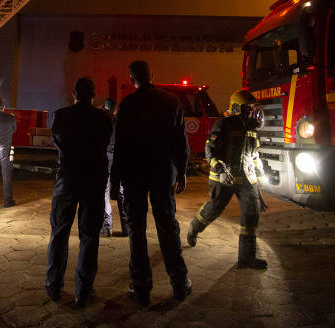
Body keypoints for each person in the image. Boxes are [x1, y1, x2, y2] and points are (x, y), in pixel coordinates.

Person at [110, 60, 191, 306]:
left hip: (134, 175)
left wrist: (115, 181)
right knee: (168, 227)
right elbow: (181, 141)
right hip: (162, 173)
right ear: (152, 75)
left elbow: (120, 146)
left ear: (132, 78)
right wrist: (182, 171)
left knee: (137, 231)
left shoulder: (128, 105)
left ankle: (142, 287)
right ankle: (179, 283)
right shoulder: (170, 101)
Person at [45, 77, 113, 307]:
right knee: (89, 237)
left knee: (59, 234)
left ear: (74, 92)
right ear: (94, 94)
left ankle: (53, 286)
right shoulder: (104, 118)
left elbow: (59, 142)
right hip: (93, 183)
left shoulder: (61, 115)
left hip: (67, 181)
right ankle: (83, 291)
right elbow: (105, 144)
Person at [186, 90, 267, 269]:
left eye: (253, 108)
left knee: (251, 214)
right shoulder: (223, 124)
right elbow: (210, 150)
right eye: (248, 108)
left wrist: (259, 188)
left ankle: (247, 257)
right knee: (214, 209)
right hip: (224, 179)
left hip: (247, 180)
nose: (252, 111)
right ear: (237, 107)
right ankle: (195, 227)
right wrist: (220, 170)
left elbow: (255, 157)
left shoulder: (252, 128)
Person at [101, 98, 127, 238]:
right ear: (116, 109)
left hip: (104, 163)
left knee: (104, 194)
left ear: (105, 108)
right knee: (122, 193)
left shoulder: (100, 122)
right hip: (119, 163)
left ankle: (106, 228)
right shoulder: (122, 123)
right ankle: (127, 227)